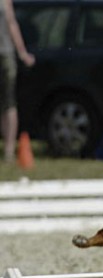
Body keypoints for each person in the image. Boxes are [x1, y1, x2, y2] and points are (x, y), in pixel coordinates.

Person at [1, 0, 35, 163]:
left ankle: (8, 151)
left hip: (5, 54)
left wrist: (22, 53)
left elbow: (12, 22)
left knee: (8, 102)